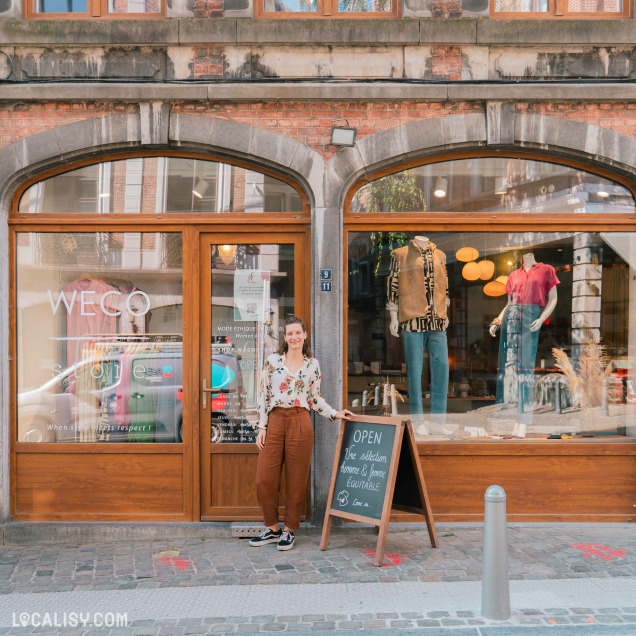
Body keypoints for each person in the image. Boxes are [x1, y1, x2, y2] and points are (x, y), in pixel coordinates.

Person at [249, 316, 353, 551]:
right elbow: (263, 395)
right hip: (274, 421)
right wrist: (262, 427)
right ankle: (272, 527)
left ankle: (289, 530)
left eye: (298, 333)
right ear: (284, 338)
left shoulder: (312, 365)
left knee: (296, 480)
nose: (294, 337)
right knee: (264, 479)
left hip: (300, 421)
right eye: (289, 334)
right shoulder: (272, 361)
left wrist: (335, 413)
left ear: (305, 335)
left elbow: (315, 398)